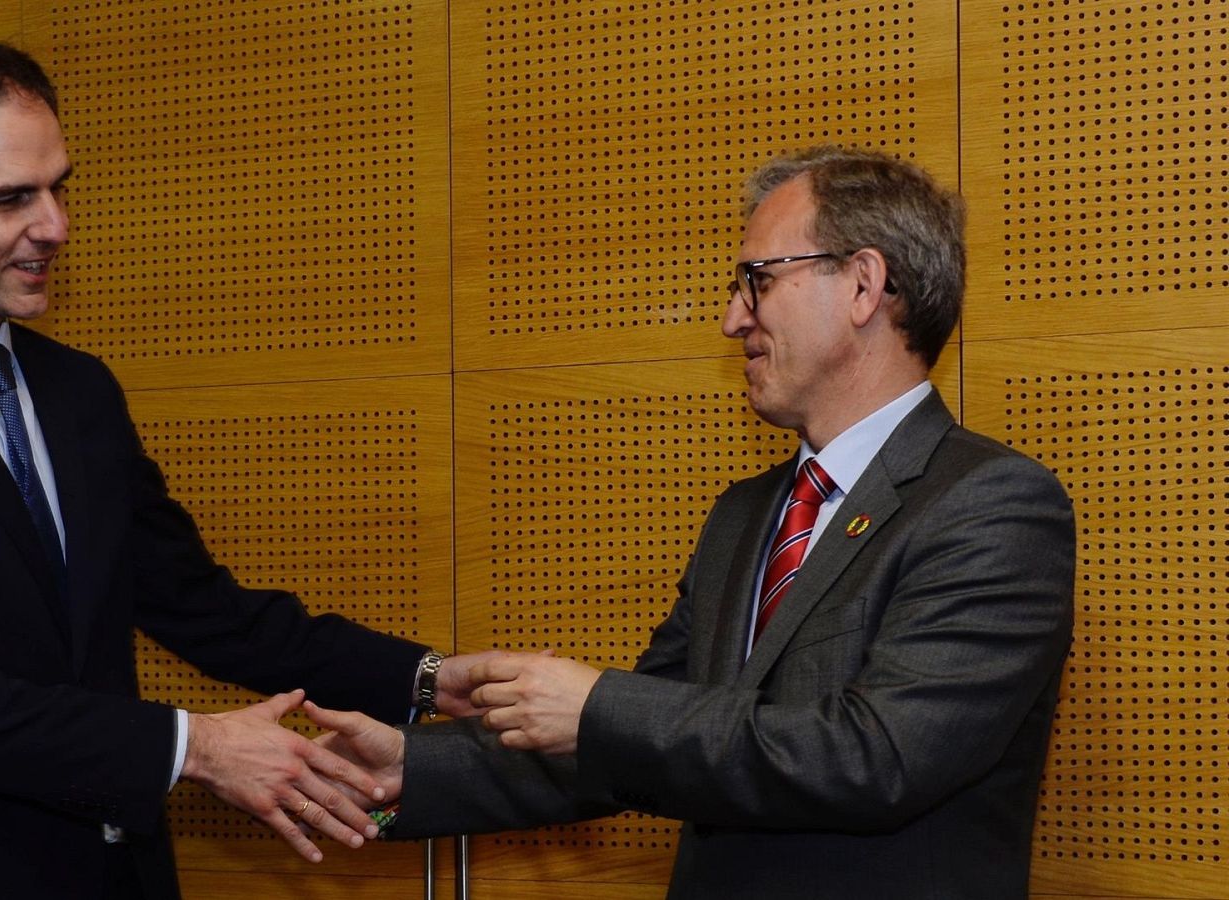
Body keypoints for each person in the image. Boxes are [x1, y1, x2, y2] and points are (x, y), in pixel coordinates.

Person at [0, 24, 485, 900]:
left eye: (61, 188)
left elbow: (205, 609)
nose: (55, 226)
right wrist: (195, 747)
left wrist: (433, 680)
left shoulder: (78, 390)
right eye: (11, 199)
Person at [310, 146, 1076, 899]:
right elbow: (638, 739)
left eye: (757, 281)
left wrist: (597, 703)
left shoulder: (992, 504)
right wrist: (413, 766)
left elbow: (876, 754)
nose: (731, 318)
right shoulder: (745, 513)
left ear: (863, 285)